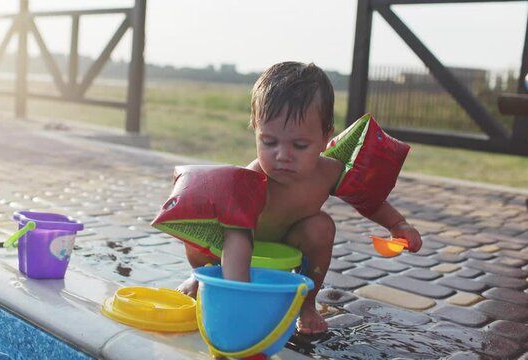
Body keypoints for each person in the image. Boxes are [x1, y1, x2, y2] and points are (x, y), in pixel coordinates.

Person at [177, 61, 422, 334]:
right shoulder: (252, 180)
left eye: (300, 145)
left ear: (324, 137)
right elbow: (236, 239)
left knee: (321, 226)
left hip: (287, 244)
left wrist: (398, 225)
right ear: (255, 131)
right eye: (269, 142)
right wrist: (238, 298)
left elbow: (367, 199)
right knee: (198, 237)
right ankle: (204, 279)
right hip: (235, 242)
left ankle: (306, 303)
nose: (283, 155)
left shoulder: (328, 172)